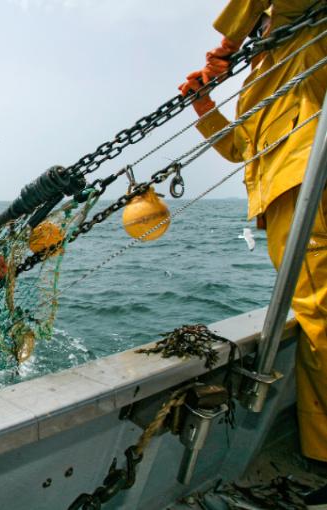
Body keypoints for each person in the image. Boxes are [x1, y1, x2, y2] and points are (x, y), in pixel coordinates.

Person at [178, 0, 327, 501]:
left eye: (261, 20)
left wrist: (226, 44)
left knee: (320, 318)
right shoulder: (264, 75)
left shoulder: (304, 38)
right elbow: (242, 145)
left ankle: (324, 460)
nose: (260, 27)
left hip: (305, 188)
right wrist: (203, 104)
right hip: (284, 195)